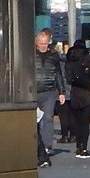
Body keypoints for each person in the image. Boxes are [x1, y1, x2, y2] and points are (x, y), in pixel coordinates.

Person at [34, 28, 67, 161]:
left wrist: (62, 92)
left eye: (45, 43)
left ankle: (47, 145)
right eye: (41, 43)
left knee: (48, 118)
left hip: (49, 91)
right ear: (37, 43)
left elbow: (59, 74)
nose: (43, 46)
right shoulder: (30, 55)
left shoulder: (54, 56)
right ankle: (36, 145)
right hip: (33, 91)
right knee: (32, 121)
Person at [63, 41, 90, 159]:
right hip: (88, 93)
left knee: (77, 122)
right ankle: (84, 147)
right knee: (85, 123)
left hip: (75, 94)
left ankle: (78, 146)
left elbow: (68, 79)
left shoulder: (70, 60)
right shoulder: (88, 58)